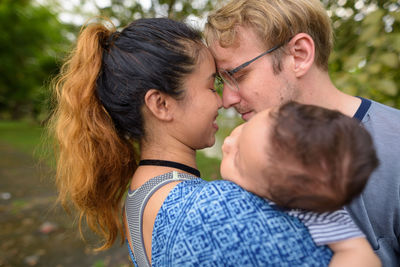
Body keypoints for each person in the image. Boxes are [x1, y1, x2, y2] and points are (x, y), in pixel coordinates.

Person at [49, 17, 333, 266]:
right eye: (211, 86)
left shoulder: (137, 198)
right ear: (161, 104)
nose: (222, 101)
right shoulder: (215, 209)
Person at [205, 0, 400, 265]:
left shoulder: (395, 150)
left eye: (237, 75)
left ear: (299, 55)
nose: (226, 99)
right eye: (221, 81)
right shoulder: (251, 150)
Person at [220, 101, 381, 266]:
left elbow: (361, 255)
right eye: (245, 129)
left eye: (238, 158)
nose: (227, 144)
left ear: (278, 196)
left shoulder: (318, 215)